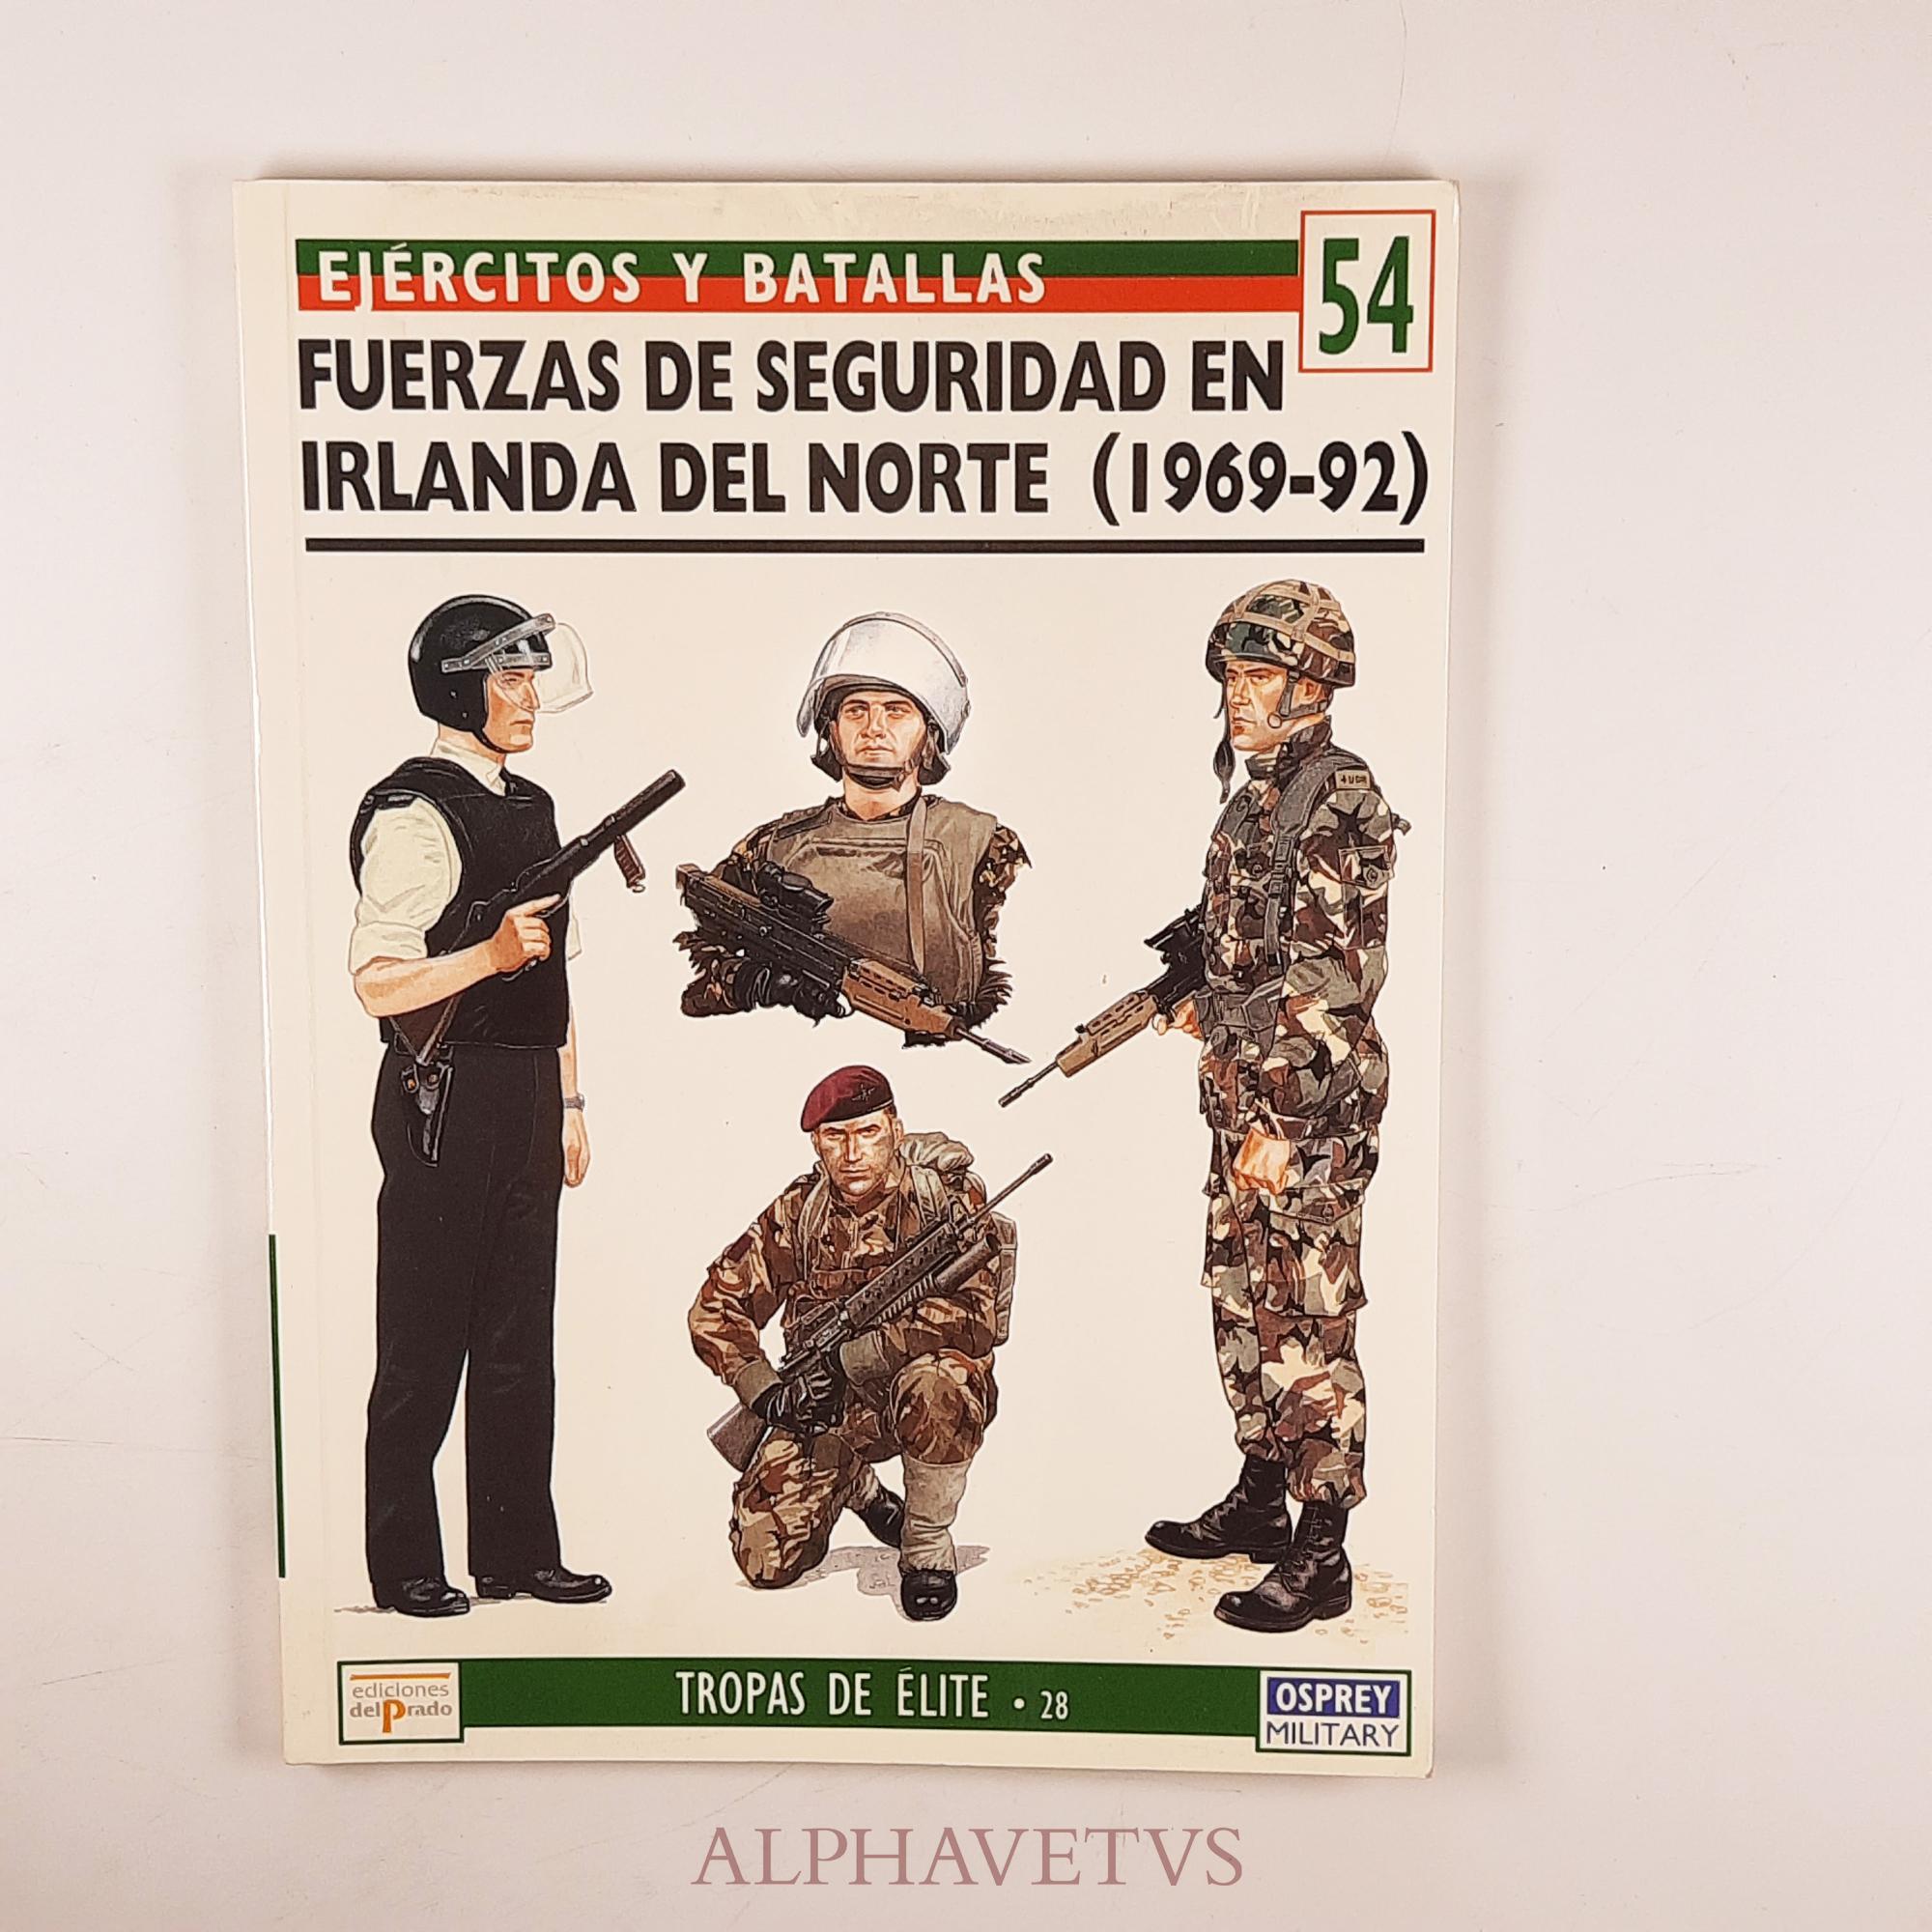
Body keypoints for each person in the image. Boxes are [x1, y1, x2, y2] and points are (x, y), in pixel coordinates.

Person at [1145, 582, 1406, 1634]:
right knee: (1241, 1300)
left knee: (1306, 1320)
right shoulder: (1250, 802)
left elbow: (1332, 981)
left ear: (1313, 688)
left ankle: (1322, 1544)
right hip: (1242, 1103)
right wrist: (1196, 1002)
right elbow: (1245, 951)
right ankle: (1260, 1494)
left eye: (1258, 676)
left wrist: (1281, 1126)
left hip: (1305, 1116)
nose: (1237, 697)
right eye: (1232, 677)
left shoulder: (1334, 798)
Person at [347, 592, 611, 1617]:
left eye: (534, 677)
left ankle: (515, 1552)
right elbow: (377, 982)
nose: (528, 698)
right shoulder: (413, 812)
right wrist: (487, 957)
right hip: (441, 1093)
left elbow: (559, 979)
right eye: (510, 678)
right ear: (459, 689)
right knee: (422, 1345)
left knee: (516, 1341)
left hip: (528, 1090)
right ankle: (406, 1562)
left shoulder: (531, 807)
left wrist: (570, 1099)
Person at [689, 1066, 1009, 1621]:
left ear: (895, 1130)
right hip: (827, 1406)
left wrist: (856, 1356)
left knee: (941, 1383)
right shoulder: (800, 1211)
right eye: (835, 1137)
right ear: (817, 1144)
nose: (853, 1153)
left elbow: (973, 1317)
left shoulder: (944, 1198)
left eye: (868, 1132)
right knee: (764, 1559)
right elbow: (716, 1305)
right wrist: (767, 1392)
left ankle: (926, 1546)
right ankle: (860, 1488)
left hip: (917, 1391)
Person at [678, 612, 1026, 1040]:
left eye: (896, 711)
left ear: (929, 733)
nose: (874, 729)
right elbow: (702, 976)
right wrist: (759, 985)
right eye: (856, 710)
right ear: (832, 729)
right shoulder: (771, 848)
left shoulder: (983, 844)